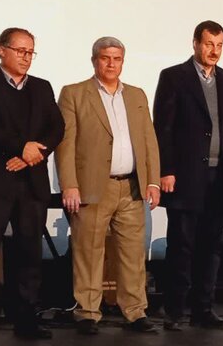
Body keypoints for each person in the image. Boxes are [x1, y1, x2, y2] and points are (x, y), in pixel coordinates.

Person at [0, 28, 64, 340]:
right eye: (21, 51)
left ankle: (26, 319)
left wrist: (34, 155)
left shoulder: (42, 87)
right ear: (2, 50)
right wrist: (21, 148)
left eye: (31, 52)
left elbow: (57, 127)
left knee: (29, 254)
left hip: (31, 183)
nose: (26, 57)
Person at [55, 36, 161, 335]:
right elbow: (65, 144)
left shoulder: (137, 95)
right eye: (105, 58)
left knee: (132, 253)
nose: (111, 64)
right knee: (89, 251)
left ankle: (135, 312)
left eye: (117, 58)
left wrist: (153, 180)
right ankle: (88, 312)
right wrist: (69, 184)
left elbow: (149, 140)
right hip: (91, 187)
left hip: (132, 186)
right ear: (94, 60)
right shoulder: (74, 93)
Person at [153, 21, 223, 331]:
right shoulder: (174, 77)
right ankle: (175, 310)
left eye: (219, 45)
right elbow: (163, 127)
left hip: (220, 177)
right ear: (195, 43)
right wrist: (166, 170)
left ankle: (203, 309)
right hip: (185, 177)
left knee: (213, 248)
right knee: (182, 246)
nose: (214, 51)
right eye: (208, 44)